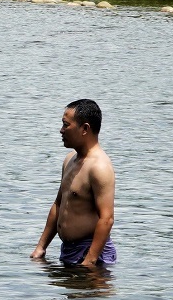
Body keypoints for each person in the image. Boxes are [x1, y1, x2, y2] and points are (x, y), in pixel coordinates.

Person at [30, 98, 116, 269]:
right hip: (69, 251)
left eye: (66, 125)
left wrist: (90, 261)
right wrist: (41, 247)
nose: (61, 130)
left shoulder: (99, 167)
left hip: (91, 254)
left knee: (88, 295)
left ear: (85, 128)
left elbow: (106, 219)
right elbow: (58, 204)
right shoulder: (70, 160)